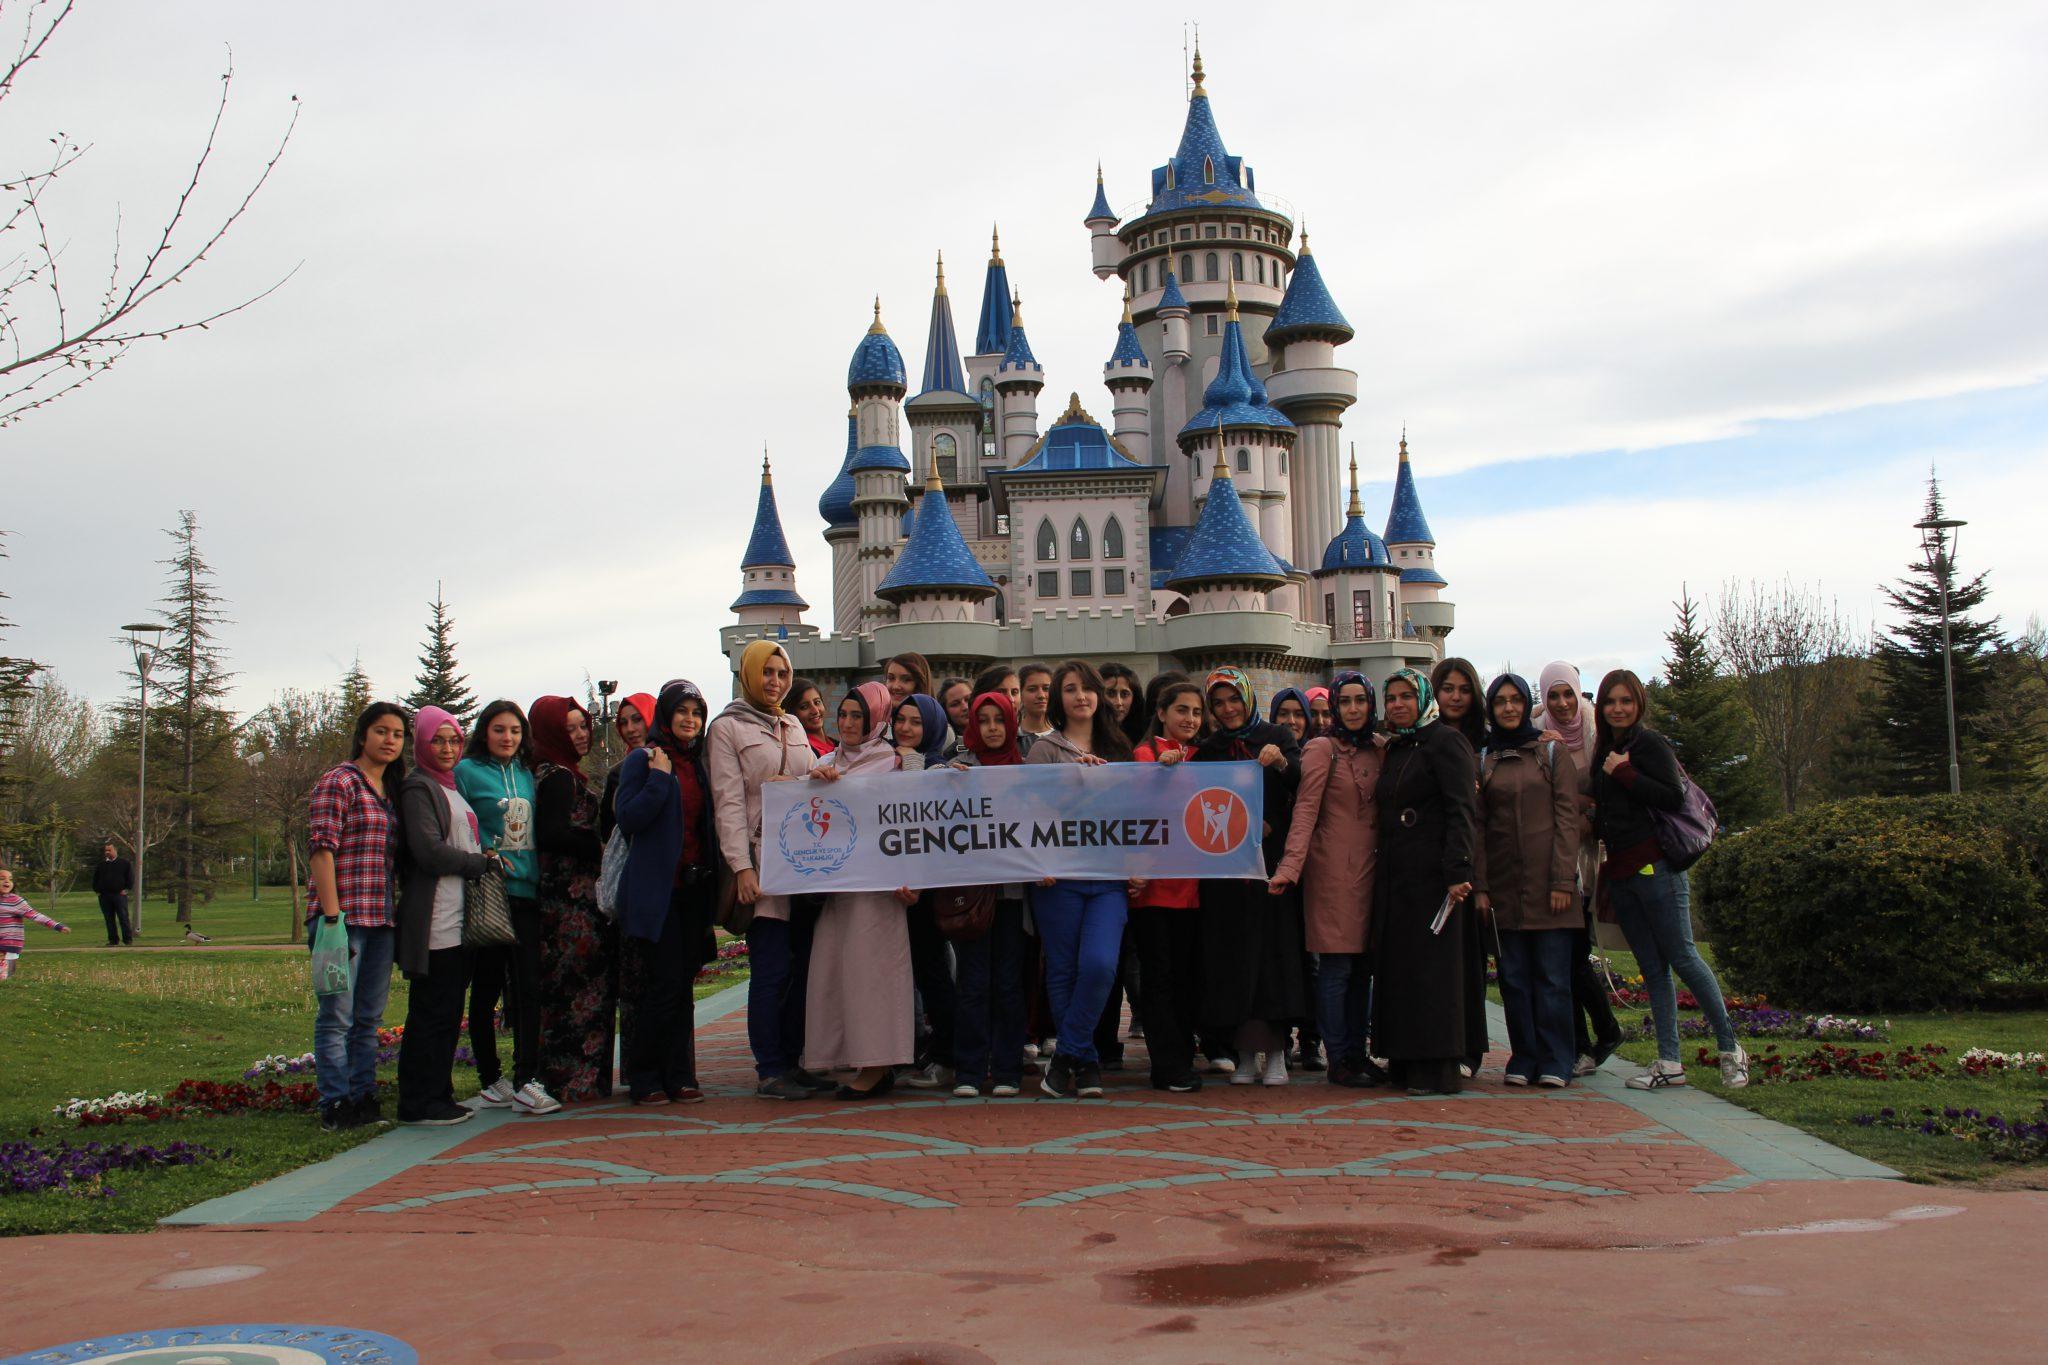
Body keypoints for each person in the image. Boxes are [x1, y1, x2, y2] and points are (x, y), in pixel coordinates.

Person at [1592, 669, 1749, 1091]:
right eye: (1610, 701)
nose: (1618, 708)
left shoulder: (1648, 744)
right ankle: (1669, 1062)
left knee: (1683, 956)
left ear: (1639, 703)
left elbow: (1672, 796)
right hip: (1622, 873)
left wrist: (1624, 773)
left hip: (1658, 869)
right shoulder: (1606, 749)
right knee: (1652, 968)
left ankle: (1731, 1049)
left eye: (1626, 700)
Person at [708, 641, 829, 1101]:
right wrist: (741, 867)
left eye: (782, 672)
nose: (775, 680)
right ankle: (770, 1067)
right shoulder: (727, 728)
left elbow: (812, 777)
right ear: (749, 674)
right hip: (762, 863)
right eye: (767, 672)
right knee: (772, 969)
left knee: (802, 967)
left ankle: (795, 1060)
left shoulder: (793, 723)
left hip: (804, 862)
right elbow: (729, 801)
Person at [1193, 668, 1306, 1086]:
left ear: (1247, 697)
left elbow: (1301, 784)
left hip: (1269, 868)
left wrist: (1279, 764)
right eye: (1218, 703)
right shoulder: (1208, 749)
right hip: (1225, 873)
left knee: (1273, 960)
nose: (1227, 709)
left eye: (1233, 699)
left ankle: (1276, 1051)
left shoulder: (1278, 736)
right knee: (1234, 960)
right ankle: (1243, 1052)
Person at [1026, 660, 1133, 1098]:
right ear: (1059, 699)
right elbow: (1030, 814)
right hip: (1059, 877)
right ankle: (1086, 1065)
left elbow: (1138, 812)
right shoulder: (1043, 751)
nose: (1081, 696)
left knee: (1100, 965)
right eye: (1070, 689)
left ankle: (1066, 1055)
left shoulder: (1119, 747)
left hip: (1108, 877)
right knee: (1064, 971)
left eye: (1087, 688)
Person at [1271, 671, 1383, 1087]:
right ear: (1335, 706)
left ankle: (1359, 1052)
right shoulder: (1321, 749)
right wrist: (1290, 867)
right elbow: (1305, 811)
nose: (1353, 709)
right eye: (1346, 701)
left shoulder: (1380, 749)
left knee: (1362, 970)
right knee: (1336, 969)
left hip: (1373, 874)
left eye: (1361, 700)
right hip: (1333, 875)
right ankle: (1339, 1058)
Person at [803, 681, 915, 1098]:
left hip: (878, 892)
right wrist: (810, 780)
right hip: (838, 890)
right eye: (844, 715)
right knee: (836, 971)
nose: (848, 724)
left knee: (874, 975)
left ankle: (878, 1064)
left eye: (858, 716)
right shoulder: (829, 759)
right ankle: (851, 1057)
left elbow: (911, 822)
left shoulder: (895, 763)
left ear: (877, 720)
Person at [1372, 670, 1479, 1095]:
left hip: (1435, 878)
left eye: (1405, 697)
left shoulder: (1445, 741)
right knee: (1403, 970)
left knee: (1433, 974)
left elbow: (1461, 809)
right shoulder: (1401, 746)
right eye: (1391, 697)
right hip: (1399, 877)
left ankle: (1435, 1067)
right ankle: (1404, 1058)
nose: (1397, 704)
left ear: (1422, 699)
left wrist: (1458, 871)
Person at [1473, 674, 1582, 1088]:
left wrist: (1561, 880)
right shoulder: (1486, 758)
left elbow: (1568, 820)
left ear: (1526, 704)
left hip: (1550, 886)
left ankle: (1557, 1057)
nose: (1508, 709)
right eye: (1500, 702)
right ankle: (1524, 1055)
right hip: (1504, 889)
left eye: (1516, 700)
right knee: (1514, 979)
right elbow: (1479, 826)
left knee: (1553, 979)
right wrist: (1481, 886)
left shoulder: (1550, 751)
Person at [615, 679, 718, 1105]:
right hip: (660, 892)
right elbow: (628, 818)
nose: (689, 720)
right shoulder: (645, 760)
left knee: (682, 987)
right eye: (682, 712)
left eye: (696, 713)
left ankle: (679, 1074)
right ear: (665, 715)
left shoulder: (698, 763)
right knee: (662, 986)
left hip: (695, 890)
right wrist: (659, 781)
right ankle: (644, 1076)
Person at [305, 702, 407, 1131]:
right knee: (337, 1017)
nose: (390, 740)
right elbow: (321, 849)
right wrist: (332, 918)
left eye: (398, 734)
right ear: (363, 735)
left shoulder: (391, 791)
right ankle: (335, 1103)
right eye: (381, 731)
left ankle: (363, 1097)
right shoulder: (340, 781)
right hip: (340, 921)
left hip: (381, 920)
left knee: (367, 1019)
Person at [455, 700, 559, 1115]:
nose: (508, 738)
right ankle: (491, 1078)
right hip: (488, 893)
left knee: (529, 986)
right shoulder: (466, 773)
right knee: (485, 988)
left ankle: (526, 1079)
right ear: (485, 732)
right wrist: (485, 853)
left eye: (515, 731)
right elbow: (458, 827)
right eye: (500, 730)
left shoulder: (525, 774)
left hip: (527, 894)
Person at [394, 706, 492, 1126]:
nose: (448, 748)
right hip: (434, 919)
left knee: (448, 1012)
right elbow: (428, 851)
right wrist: (477, 864)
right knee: (431, 1013)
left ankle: (439, 1092)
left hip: (458, 919)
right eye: (439, 740)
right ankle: (418, 1102)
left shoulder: (450, 787)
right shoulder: (419, 788)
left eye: (454, 740)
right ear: (422, 743)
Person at [529, 694, 617, 1104]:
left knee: (568, 994)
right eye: (571, 728)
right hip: (571, 905)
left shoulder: (555, 773)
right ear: (551, 732)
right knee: (578, 993)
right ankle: (575, 1081)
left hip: (564, 900)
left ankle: (570, 1079)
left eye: (583, 726)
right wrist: (592, 844)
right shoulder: (558, 777)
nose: (582, 735)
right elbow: (550, 833)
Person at [1535, 661, 1621, 1076]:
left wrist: (1585, 811)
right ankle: (1591, 1037)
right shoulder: (1539, 733)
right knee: (1566, 955)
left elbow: (1610, 796)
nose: (1563, 703)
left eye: (1567, 693)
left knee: (1572, 955)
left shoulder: (1595, 731)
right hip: (1556, 859)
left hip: (1591, 858)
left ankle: (1596, 1036)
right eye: (1554, 696)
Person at [948, 690, 1029, 1098]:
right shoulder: (959, 770)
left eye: (1000, 720)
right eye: (984, 721)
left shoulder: (1028, 770)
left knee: (1009, 983)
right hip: (973, 895)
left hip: (1011, 896)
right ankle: (969, 1069)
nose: (993, 728)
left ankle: (1008, 1069)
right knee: (974, 981)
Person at [1130, 681, 1206, 1092]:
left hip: (1196, 890)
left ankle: (1182, 1055)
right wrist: (1161, 772)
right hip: (1156, 891)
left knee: (1186, 978)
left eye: (1196, 712)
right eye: (1181, 710)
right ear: (1161, 713)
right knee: (1160, 978)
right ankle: (1167, 1065)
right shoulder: (1146, 756)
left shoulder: (1206, 757)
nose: (1189, 719)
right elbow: (1138, 810)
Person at [599, 690, 657, 843]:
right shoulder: (618, 773)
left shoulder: (679, 763)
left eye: (637, 719)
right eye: (623, 723)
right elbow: (607, 831)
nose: (630, 729)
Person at [0, 866, 69, 981]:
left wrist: (57, 926)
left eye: (10, 879)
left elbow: (36, 916)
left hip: (9, 944)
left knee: (5, 976)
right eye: (2, 878)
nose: (7, 881)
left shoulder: (15, 901)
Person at [91, 843, 133, 946]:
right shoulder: (101, 865)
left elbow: (130, 878)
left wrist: (126, 889)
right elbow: (95, 879)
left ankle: (127, 940)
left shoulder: (124, 863)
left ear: (115, 851)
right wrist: (97, 890)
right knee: (109, 919)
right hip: (104, 896)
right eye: (106, 851)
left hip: (119, 895)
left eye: (109, 850)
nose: (107, 852)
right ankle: (113, 940)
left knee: (123, 917)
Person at [789, 677, 837, 759]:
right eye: (804, 707)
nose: (815, 711)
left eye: (817, 702)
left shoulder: (839, 745)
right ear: (792, 714)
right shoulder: (802, 754)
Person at [1016, 663, 1055, 755]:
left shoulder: (1066, 736)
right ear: (1020, 694)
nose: (1041, 695)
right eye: (1032, 689)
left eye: (1046, 689)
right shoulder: (1012, 739)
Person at [937, 677, 973, 760]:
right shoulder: (943, 745)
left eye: (968, 699)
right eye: (955, 704)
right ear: (945, 711)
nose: (965, 707)